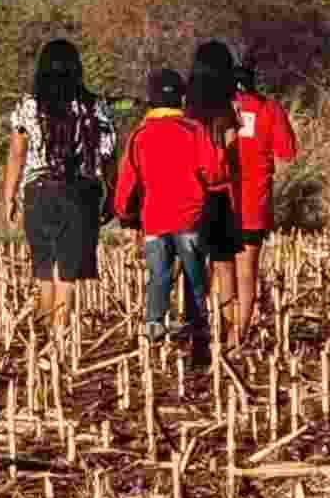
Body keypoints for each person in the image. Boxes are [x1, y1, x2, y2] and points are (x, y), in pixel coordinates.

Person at [1, 39, 116, 335]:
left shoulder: (29, 105)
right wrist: (111, 192)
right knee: (67, 273)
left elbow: (16, 153)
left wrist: (9, 195)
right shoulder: (94, 105)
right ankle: (61, 337)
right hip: (79, 193)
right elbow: (107, 153)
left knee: (43, 269)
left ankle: (41, 338)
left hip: (37, 193)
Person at [113, 69, 224, 365]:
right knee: (195, 279)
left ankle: (152, 339)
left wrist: (125, 215)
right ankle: (199, 340)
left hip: (155, 221)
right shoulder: (194, 130)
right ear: (182, 97)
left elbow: (127, 182)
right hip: (190, 218)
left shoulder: (140, 135)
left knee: (159, 278)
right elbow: (214, 173)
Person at [231, 64, 299, 345]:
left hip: (220, 200)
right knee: (246, 271)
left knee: (218, 270)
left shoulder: (214, 110)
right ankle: (238, 334)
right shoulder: (269, 109)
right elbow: (288, 152)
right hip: (253, 204)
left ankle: (218, 331)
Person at [186, 40, 242, 346]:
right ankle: (230, 331)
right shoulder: (227, 107)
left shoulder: (187, 108)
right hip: (219, 193)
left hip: (191, 193)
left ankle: (198, 330)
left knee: (194, 263)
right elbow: (233, 149)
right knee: (224, 263)